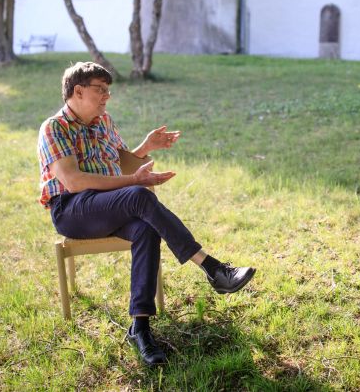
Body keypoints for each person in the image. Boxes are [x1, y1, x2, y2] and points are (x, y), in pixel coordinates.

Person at [38, 62, 256, 365]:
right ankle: (213, 268)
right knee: (139, 196)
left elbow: (125, 165)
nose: (106, 97)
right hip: (72, 210)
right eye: (100, 90)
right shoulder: (54, 128)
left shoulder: (104, 122)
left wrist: (145, 147)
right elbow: (74, 182)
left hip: (111, 203)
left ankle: (140, 327)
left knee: (146, 227)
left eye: (108, 91)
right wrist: (134, 182)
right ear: (77, 91)